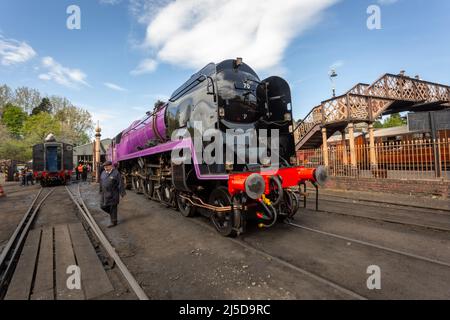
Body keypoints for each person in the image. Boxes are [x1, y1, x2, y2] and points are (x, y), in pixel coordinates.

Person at [99, 161, 126, 228]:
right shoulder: (103, 173)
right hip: (104, 193)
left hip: (113, 193)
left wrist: (122, 193)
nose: (105, 168)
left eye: (107, 167)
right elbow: (101, 182)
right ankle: (112, 215)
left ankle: (113, 221)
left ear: (111, 166)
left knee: (113, 207)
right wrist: (100, 190)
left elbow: (120, 183)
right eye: (104, 167)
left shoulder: (116, 173)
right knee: (102, 206)